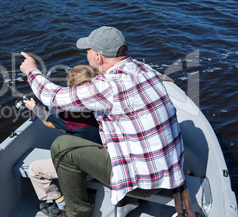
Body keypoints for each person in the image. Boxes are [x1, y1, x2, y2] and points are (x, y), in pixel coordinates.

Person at [20, 26, 185, 217]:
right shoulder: (144, 69)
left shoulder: (109, 86)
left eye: (89, 51)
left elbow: (52, 96)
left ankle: (77, 213)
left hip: (144, 184)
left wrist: (31, 70)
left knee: (62, 146)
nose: (87, 55)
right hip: (171, 172)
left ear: (98, 57)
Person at [23, 65, 102, 217]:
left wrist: (33, 107)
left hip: (85, 170)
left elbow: (49, 121)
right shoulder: (103, 107)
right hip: (102, 164)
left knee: (35, 170)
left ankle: (59, 202)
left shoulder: (71, 116)